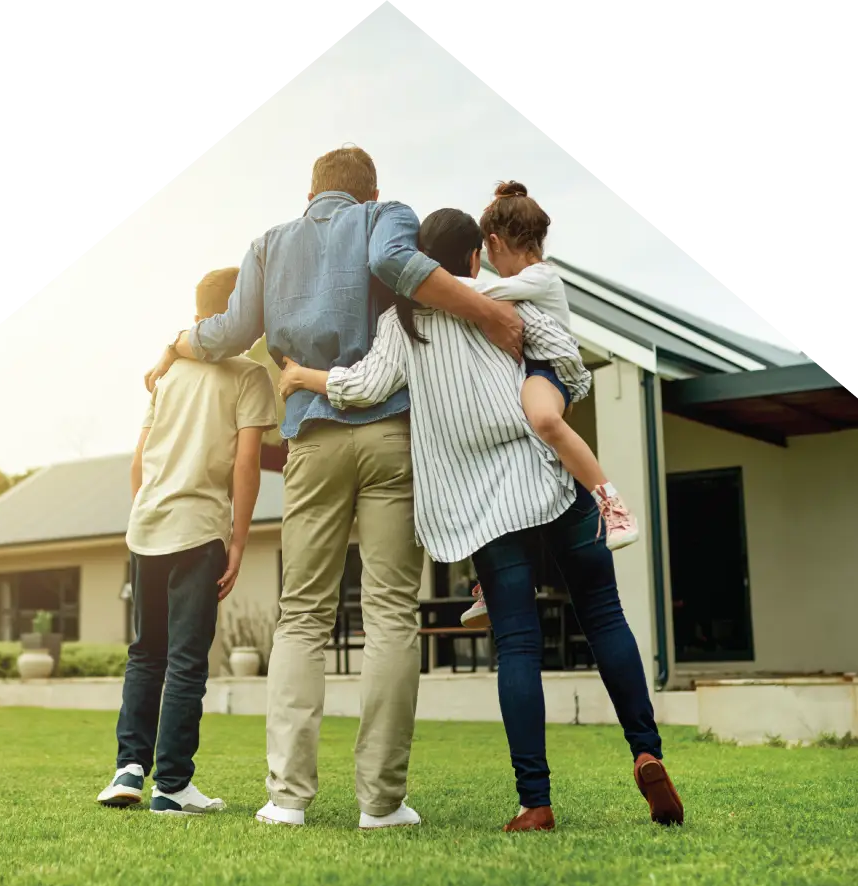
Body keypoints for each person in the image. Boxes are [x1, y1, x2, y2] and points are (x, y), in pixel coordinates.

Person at [140, 147, 524, 829]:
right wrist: (489, 313)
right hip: (389, 437)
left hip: (311, 441)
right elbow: (398, 267)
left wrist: (178, 340)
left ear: (311, 192)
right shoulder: (385, 215)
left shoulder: (268, 244)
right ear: (370, 190)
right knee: (390, 614)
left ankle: (287, 798)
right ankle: (381, 803)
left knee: (303, 616)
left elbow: (230, 333)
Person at [279, 208, 684, 832]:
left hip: (484, 510)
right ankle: (647, 750)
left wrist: (302, 375)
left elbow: (362, 387)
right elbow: (565, 363)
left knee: (518, 645)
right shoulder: (498, 302)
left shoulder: (401, 322)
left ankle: (535, 802)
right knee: (604, 615)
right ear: (475, 258)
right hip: (548, 477)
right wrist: (550, 388)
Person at [98, 267, 276, 815]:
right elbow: (247, 462)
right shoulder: (249, 376)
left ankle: (129, 769)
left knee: (145, 654)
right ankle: (171, 784)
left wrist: (146, 514)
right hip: (198, 531)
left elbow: (138, 462)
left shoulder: (167, 374)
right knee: (185, 660)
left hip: (146, 528)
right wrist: (239, 540)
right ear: (238, 315)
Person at [458, 181, 638, 630]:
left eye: (488, 252)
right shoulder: (524, 279)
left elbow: (479, 297)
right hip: (525, 378)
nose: (490, 263)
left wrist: (429, 282)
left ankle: (610, 502)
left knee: (541, 419)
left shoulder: (540, 277)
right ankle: (488, 580)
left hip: (548, 374)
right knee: (511, 472)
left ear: (495, 244)